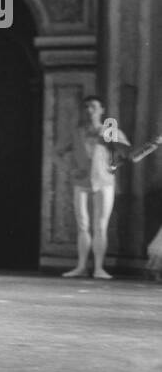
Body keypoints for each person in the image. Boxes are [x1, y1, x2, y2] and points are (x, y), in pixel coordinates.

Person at [56, 95, 131, 279]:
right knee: (83, 225)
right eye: (87, 107)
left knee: (101, 225)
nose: (90, 110)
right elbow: (58, 152)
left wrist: (113, 162)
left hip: (104, 181)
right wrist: (70, 170)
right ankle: (81, 266)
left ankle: (98, 268)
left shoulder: (109, 130)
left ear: (102, 110)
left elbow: (126, 152)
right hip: (81, 182)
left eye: (94, 107)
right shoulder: (77, 132)